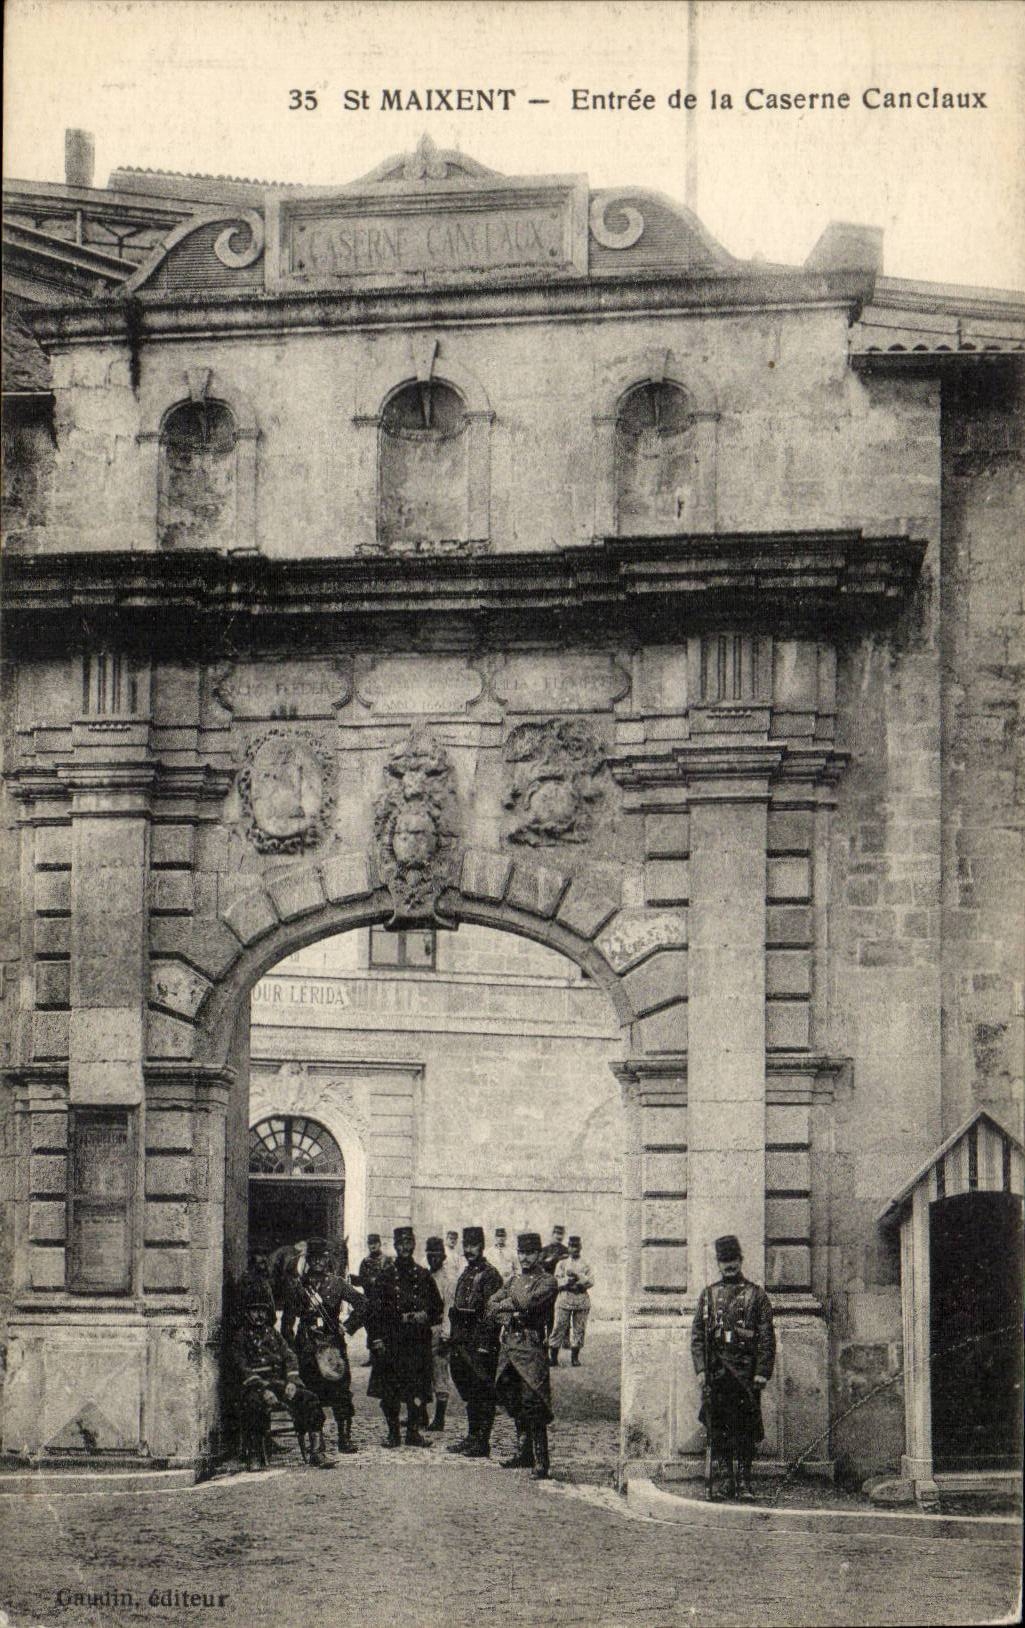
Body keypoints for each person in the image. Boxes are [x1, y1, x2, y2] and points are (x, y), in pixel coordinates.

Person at [690, 1234, 776, 1502]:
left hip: (747, 1374)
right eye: (724, 1261)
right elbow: (698, 1336)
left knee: (746, 1430)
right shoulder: (708, 1296)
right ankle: (726, 1480)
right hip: (717, 1374)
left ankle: (744, 1482)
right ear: (718, 1263)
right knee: (719, 1430)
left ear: (741, 1260)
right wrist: (701, 1369)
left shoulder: (756, 1295)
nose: (729, 1265)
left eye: (733, 1260)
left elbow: (765, 1336)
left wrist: (762, 1371)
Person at [487, 1230, 559, 1479]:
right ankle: (524, 1451)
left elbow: (530, 1303)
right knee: (512, 1396)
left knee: (533, 1401)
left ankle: (541, 1460)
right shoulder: (514, 1280)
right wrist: (511, 1312)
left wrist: (510, 1306)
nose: (525, 1258)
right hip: (510, 1348)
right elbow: (491, 1305)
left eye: (530, 1253)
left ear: (539, 1254)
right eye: (521, 1253)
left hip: (531, 1348)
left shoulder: (548, 1281)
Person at [282, 1236, 363, 1457]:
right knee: (309, 1393)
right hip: (307, 1348)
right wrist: (291, 1350)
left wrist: (346, 1327)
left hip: (333, 1346)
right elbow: (287, 1324)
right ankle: (313, 1439)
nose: (318, 1263)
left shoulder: (337, 1284)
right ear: (308, 1260)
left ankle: (344, 1438)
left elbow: (363, 1304)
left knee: (340, 1391)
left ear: (327, 1260)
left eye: (322, 1259)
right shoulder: (298, 1287)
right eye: (314, 1258)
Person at [364, 1225, 444, 1448]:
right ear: (395, 1246)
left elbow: (437, 1306)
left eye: (408, 1243)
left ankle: (413, 1433)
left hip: (417, 1341)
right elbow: (372, 1312)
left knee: (416, 1389)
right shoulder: (386, 1276)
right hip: (392, 1341)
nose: (405, 1248)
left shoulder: (423, 1275)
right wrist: (376, 1339)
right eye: (400, 1244)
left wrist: (424, 1315)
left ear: (414, 1244)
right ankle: (393, 1433)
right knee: (390, 1391)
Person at [231, 1291, 329, 1469]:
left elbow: (289, 1356)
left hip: (279, 1384)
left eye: (263, 1311)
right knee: (253, 1405)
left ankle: (317, 1452)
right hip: (255, 1386)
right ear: (247, 1313)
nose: (260, 1315)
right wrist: (262, 1389)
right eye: (255, 1311)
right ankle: (255, 1454)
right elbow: (241, 1366)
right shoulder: (240, 1337)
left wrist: (292, 1381)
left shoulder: (273, 1334)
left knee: (310, 1398)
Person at [446, 1226, 504, 1458]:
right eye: (466, 1245)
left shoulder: (490, 1275)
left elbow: (493, 1313)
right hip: (462, 1341)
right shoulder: (467, 1272)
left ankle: (483, 1441)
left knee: (483, 1390)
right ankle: (472, 1436)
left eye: (473, 1245)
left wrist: (485, 1343)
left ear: (481, 1246)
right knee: (469, 1390)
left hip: (480, 1343)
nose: (469, 1250)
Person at [424, 1236, 460, 1432]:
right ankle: (420, 1414)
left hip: (439, 1329)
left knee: (439, 1373)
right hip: (423, 1330)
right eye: (430, 1256)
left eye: (437, 1256)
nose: (433, 1259)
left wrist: (446, 1335)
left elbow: (449, 1309)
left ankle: (439, 1418)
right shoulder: (424, 1275)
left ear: (443, 1256)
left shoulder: (449, 1279)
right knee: (421, 1373)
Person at [549, 1236, 594, 1366]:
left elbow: (591, 1281)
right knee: (558, 1327)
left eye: (576, 1246)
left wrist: (578, 1278)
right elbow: (555, 1282)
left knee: (579, 1329)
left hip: (580, 1298)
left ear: (580, 1248)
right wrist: (566, 1282)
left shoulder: (586, 1263)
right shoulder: (562, 1264)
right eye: (571, 1246)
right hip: (564, 1298)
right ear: (568, 1247)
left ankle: (575, 1358)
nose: (573, 1249)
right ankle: (553, 1358)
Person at [352, 1233, 389, 1364]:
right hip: (370, 1299)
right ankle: (372, 1357)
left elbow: (390, 1280)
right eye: (370, 1243)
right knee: (371, 1328)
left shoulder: (387, 1261)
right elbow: (361, 1280)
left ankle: (385, 1356)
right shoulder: (365, 1262)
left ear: (379, 1244)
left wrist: (377, 1281)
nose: (372, 1246)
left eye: (375, 1243)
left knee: (384, 1328)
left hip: (384, 1300)